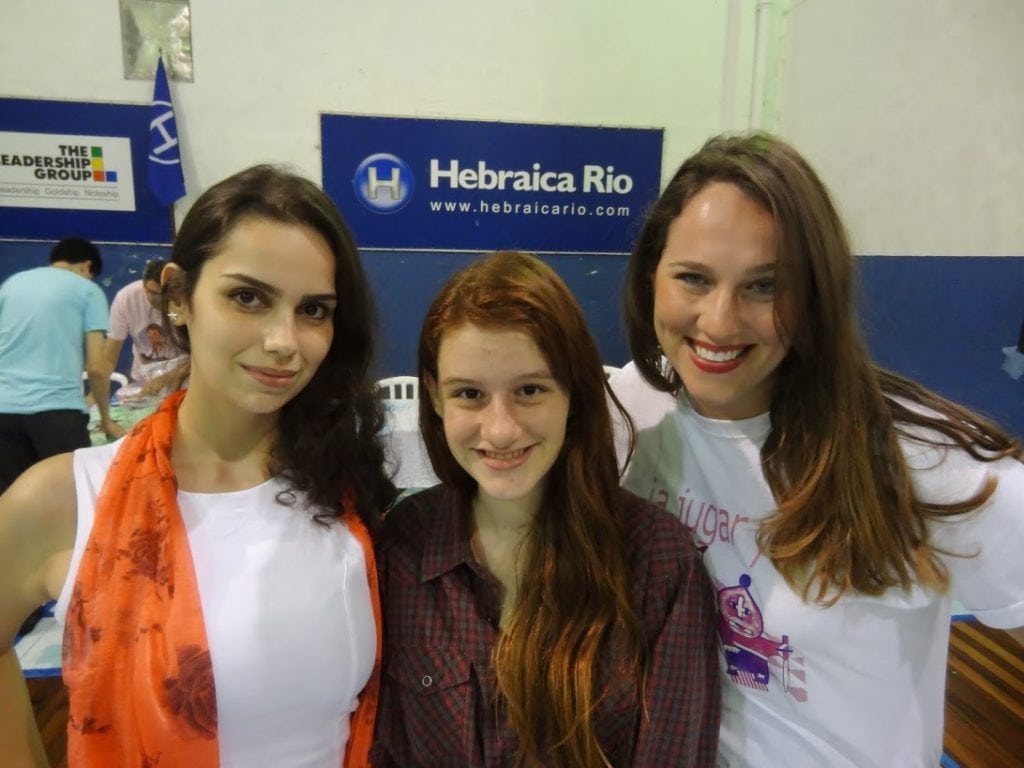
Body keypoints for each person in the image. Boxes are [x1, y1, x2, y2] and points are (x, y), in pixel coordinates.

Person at [611, 132, 1024, 767]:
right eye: (693, 278)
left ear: (815, 297)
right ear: (650, 279)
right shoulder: (632, 406)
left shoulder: (916, 460)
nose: (719, 322)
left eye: (764, 286)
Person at [0, 165, 396, 767]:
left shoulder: (345, 487)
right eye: (248, 297)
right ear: (179, 297)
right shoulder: (65, 498)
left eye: (313, 310)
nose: (284, 340)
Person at [372, 251, 721, 767]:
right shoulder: (402, 546)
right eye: (469, 394)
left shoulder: (659, 562)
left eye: (530, 390)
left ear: (574, 395)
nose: (501, 430)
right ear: (436, 398)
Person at [0, 237, 124, 494]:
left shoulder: (11, 285)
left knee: (9, 507)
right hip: (57, 415)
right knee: (71, 505)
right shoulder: (86, 290)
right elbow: (97, 367)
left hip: (3, 412)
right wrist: (106, 417)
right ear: (87, 267)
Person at [102, 257, 190, 396]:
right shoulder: (126, 299)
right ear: (143, 285)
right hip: (144, 377)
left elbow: (200, 356)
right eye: (153, 293)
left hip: (183, 379)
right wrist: (98, 394)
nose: (159, 300)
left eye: (163, 294)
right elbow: (110, 353)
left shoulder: (180, 303)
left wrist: (167, 378)